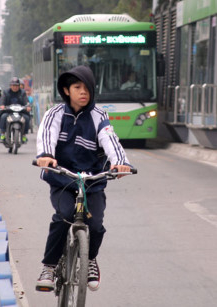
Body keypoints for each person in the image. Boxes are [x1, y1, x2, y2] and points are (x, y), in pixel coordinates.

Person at [35, 65, 132, 292]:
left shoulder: (99, 116)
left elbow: (110, 139)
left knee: (96, 226)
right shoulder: (55, 113)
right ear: (67, 90)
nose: (83, 92)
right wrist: (46, 156)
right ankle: (49, 267)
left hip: (93, 183)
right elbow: (47, 134)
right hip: (63, 180)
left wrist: (120, 162)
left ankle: (90, 261)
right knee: (64, 216)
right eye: (77, 87)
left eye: (87, 87)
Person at [0, 77, 31, 143]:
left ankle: (24, 134)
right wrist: (2, 105)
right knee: (3, 116)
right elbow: (2, 101)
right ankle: (3, 133)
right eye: (13, 85)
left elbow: (26, 101)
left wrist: (27, 106)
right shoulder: (6, 92)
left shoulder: (23, 93)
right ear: (10, 86)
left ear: (19, 86)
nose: (15, 87)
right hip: (8, 111)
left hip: (21, 112)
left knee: (26, 118)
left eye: (16, 85)